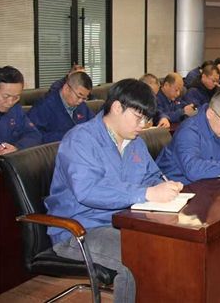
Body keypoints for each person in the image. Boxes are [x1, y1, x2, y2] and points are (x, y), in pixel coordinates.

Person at [45, 79, 184, 303]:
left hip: (122, 221)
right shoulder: (81, 140)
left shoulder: (134, 141)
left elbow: (151, 175)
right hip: (81, 229)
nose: (143, 125)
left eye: (146, 119)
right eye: (138, 117)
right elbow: (88, 191)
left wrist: (166, 185)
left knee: (170, 247)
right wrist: (146, 194)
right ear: (118, 107)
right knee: (137, 258)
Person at [28, 71, 95, 143]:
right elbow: (33, 135)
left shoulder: (82, 106)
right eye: (79, 96)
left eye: (84, 98)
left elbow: (94, 125)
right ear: (66, 89)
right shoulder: (44, 106)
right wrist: (67, 135)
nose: (81, 101)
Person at [0, 66, 42, 155]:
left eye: (16, 97)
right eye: (5, 96)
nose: (10, 102)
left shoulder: (15, 109)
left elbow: (34, 135)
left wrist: (17, 148)